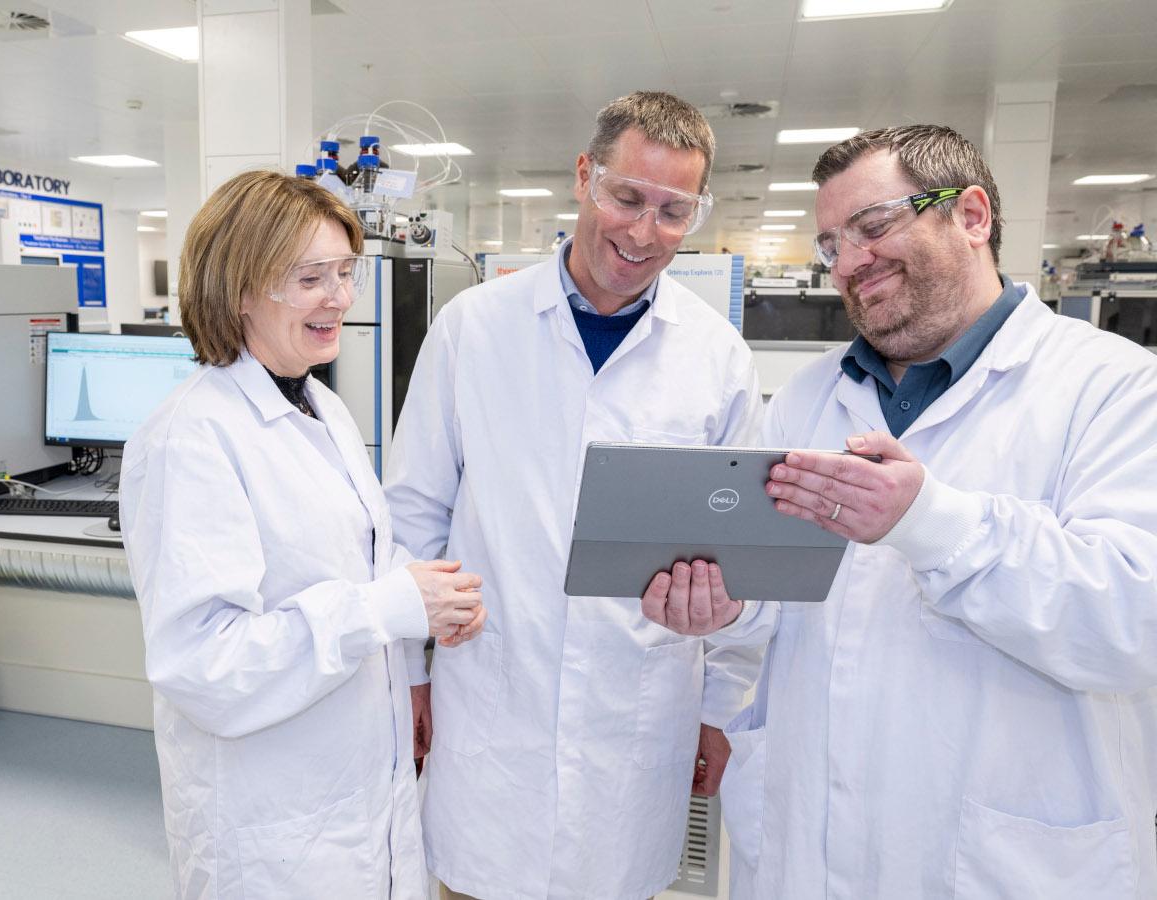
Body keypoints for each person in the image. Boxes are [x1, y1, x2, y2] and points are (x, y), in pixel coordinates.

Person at [642, 125, 1157, 898]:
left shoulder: (1111, 387)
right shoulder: (810, 398)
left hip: (1001, 857)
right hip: (809, 849)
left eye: (874, 226)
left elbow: (1132, 621)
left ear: (972, 215)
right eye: (831, 244)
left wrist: (932, 525)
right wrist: (720, 610)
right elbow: (774, 614)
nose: (850, 262)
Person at [383, 92, 764, 899]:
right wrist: (405, 673)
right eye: (627, 197)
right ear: (586, 177)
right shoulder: (474, 327)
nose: (642, 232)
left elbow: (738, 556)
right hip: (490, 696)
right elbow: (413, 509)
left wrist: (722, 705)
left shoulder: (715, 356)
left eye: (673, 211)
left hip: (637, 710)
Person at [119, 169, 486, 899]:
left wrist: (427, 596)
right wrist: (387, 609)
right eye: (311, 277)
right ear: (242, 288)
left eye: (346, 273)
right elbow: (205, 666)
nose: (341, 299)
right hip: (271, 826)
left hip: (355, 796)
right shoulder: (190, 438)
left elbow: (345, 562)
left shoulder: (321, 405)